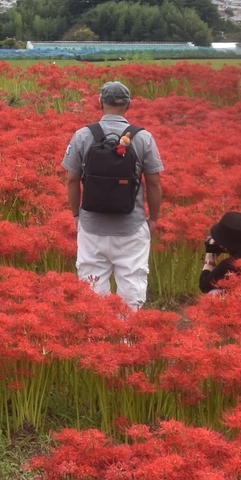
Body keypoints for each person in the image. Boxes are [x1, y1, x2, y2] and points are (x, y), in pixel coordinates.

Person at [62, 81, 164, 311]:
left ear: (100, 103)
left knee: (92, 289)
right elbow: (155, 182)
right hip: (131, 226)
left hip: (91, 227)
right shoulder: (143, 137)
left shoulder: (82, 135)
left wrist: (77, 215)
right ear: (128, 105)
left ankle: (96, 338)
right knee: (131, 289)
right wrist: (153, 219)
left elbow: (71, 179)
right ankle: (127, 342)